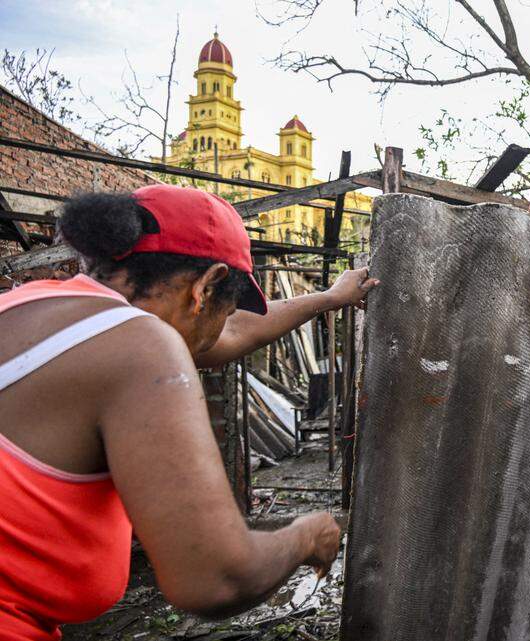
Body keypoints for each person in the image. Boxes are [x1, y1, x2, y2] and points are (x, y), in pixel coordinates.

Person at [0, 184, 377, 640]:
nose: (221, 328)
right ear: (206, 286)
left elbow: (226, 335)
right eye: (226, 305)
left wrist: (328, 298)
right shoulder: (141, 345)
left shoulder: (27, 306)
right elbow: (215, 578)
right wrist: (308, 534)